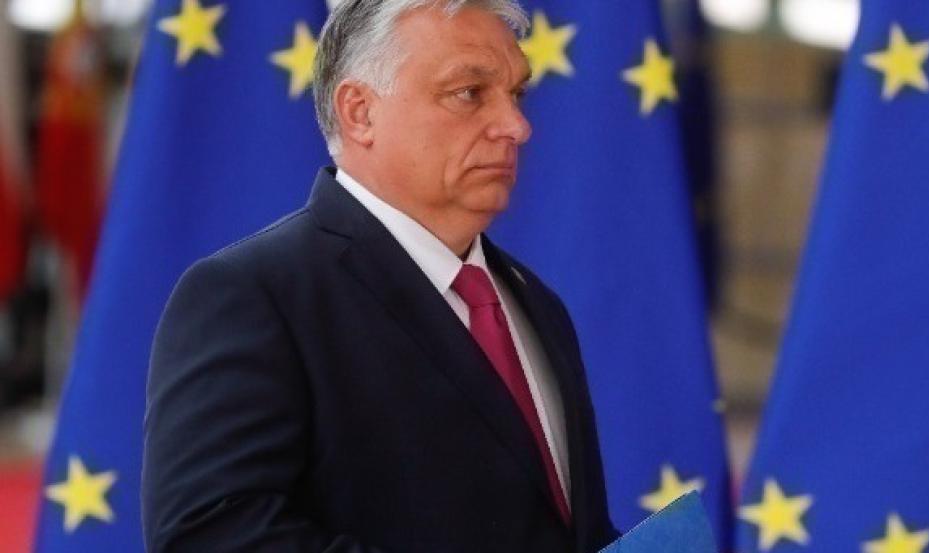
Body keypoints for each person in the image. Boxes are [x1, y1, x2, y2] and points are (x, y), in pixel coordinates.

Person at [141, 1, 620, 551]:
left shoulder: (538, 303)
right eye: (470, 93)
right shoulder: (253, 296)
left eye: (517, 94)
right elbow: (209, 536)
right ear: (360, 112)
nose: (517, 126)